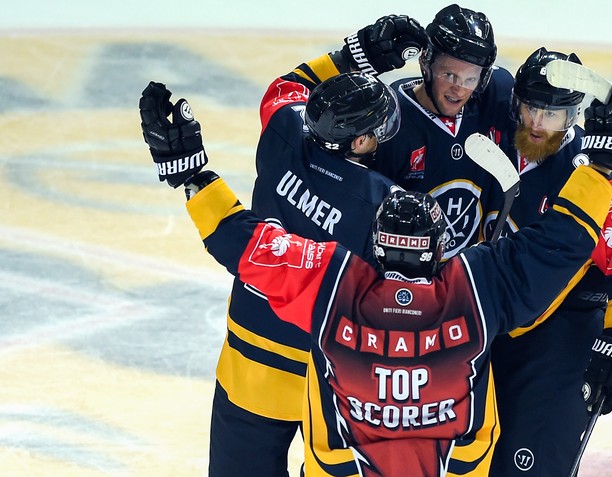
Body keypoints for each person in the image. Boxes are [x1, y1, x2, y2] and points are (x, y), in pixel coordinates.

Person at [139, 70, 612, 476]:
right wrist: (602, 169)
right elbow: (556, 248)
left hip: (264, 378)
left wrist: (190, 172)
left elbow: (241, 241)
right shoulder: (473, 289)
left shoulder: (332, 279)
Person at [140, 14, 428, 476]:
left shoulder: (284, 130)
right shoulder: (385, 204)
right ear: (358, 140)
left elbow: (288, 85)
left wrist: (193, 176)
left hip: (249, 357)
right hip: (331, 380)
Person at [488, 48, 612, 476]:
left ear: (573, 115)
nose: (539, 123)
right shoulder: (491, 141)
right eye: (531, 108)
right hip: (489, 326)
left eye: (553, 113)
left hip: (559, 335)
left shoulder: (594, 169)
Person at [373, 4, 516, 258]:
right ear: (425, 63)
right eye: (449, 75)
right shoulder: (391, 122)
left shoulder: (494, 97)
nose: (459, 89)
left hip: (469, 275)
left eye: (470, 79)